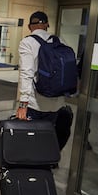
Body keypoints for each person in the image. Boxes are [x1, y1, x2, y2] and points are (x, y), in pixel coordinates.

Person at [15, 11, 73, 152]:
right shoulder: (60, 41)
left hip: (35, 103)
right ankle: (45, 164)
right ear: (47, 24)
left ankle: (30, 169)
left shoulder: (27, 42)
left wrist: (23, 104)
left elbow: (26, 74)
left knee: (29, 140)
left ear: (30, 26)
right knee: (46, 137)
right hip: (56, 103)